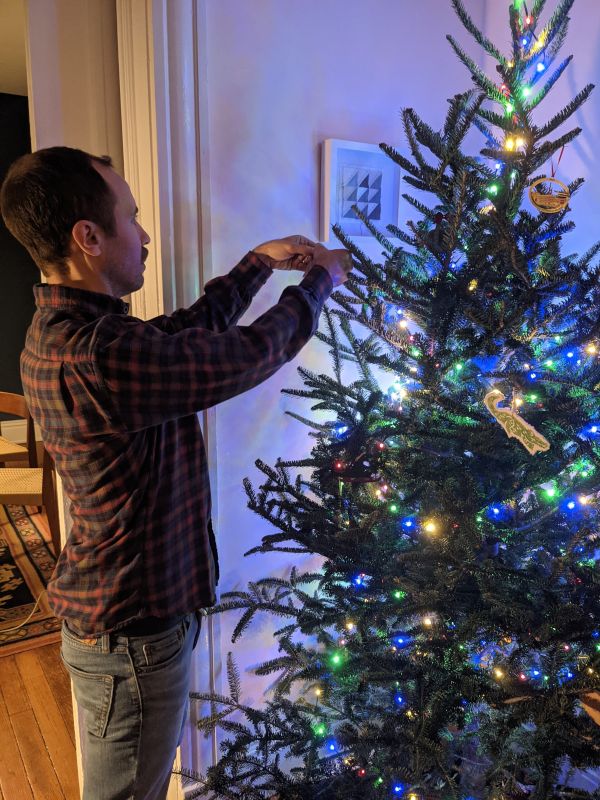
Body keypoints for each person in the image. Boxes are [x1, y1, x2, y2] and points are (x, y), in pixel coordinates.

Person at [0, 146, 353, 800]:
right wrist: (318, 285)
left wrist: (258, 263)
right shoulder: (97, 355)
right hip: (132, 636)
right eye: (131, 217)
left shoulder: (76, 334)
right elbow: (241, 356)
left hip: (123, 625)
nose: (143, 236)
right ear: (89, 238)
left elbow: (185, 335)